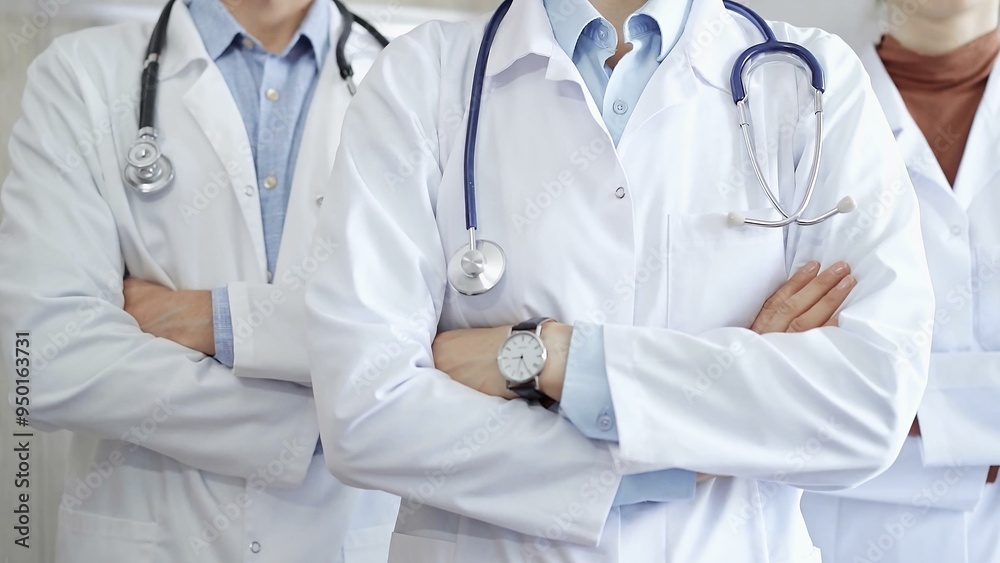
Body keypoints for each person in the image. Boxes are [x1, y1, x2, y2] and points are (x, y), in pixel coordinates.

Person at [303, 0, 937, 560]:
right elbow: (365, 410)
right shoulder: (422, 78)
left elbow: (868, 401)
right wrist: (679, 458)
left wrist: (546, 357)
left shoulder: (804, 82)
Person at [0, 0, 399, 561]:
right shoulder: (82, 76)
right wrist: (330, 424)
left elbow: (434, 340)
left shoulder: (410, 81)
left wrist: (213, 319)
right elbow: (39, 360)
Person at [800, 1, 1000, 561]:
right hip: (847, 538)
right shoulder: (795, 112)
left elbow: (825, 386)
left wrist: (883, 399)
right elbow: (781, 373)